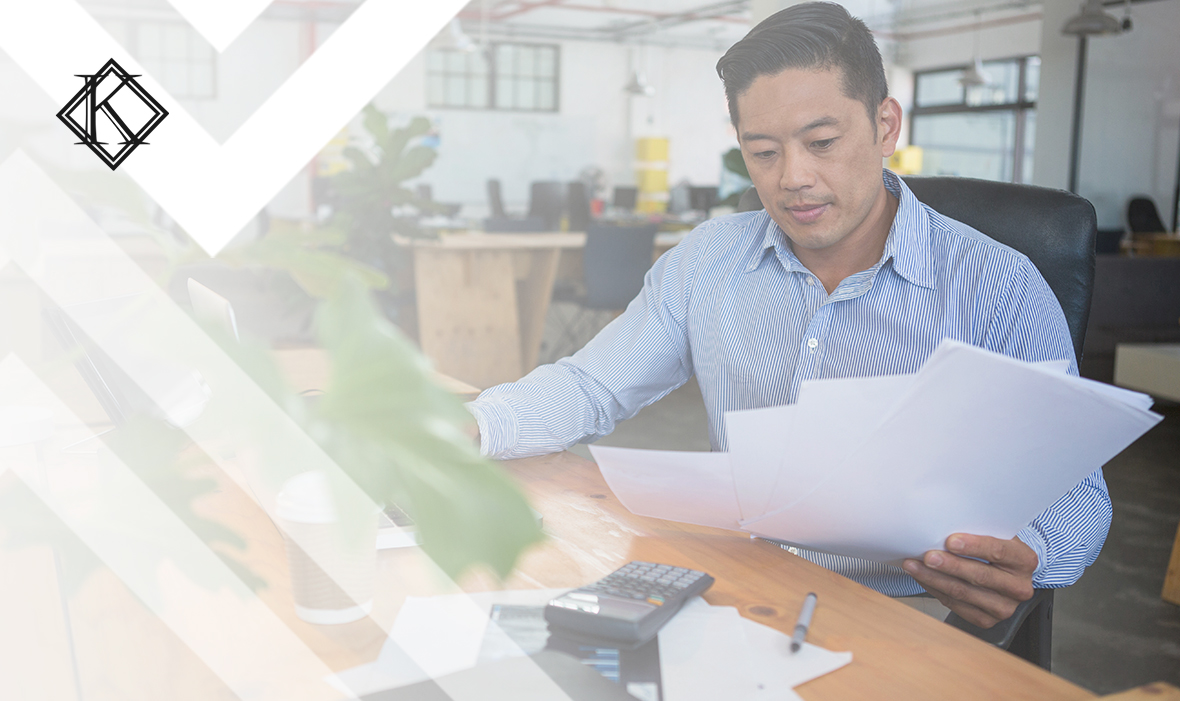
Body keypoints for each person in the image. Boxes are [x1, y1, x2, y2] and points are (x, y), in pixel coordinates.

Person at [466, 2, 1110, 629]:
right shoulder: (708, 260)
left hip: (904, 611)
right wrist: (469, 427)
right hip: (737, 589)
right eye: (763, 152)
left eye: (822, 142)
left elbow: (1076, 497)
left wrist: (1025, 555)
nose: (793, 177)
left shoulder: (997, 287)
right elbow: (592, 385)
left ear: (886, 125)